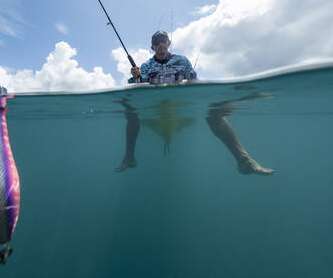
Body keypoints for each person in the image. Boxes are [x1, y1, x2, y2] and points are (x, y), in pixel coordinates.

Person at [115, 31, 273, 175]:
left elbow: (193, 81)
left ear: (169, 42)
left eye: (163, 40)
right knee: (131, 113)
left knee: (215, 113)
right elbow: (139, 86)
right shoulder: (146, 66)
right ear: (152, 47)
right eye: (156, 42)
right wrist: (136, 76)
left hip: (182, 104)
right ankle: (129, 156)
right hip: (155, 106)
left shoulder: (183, 60)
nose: (160, 44)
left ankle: (244, 160)